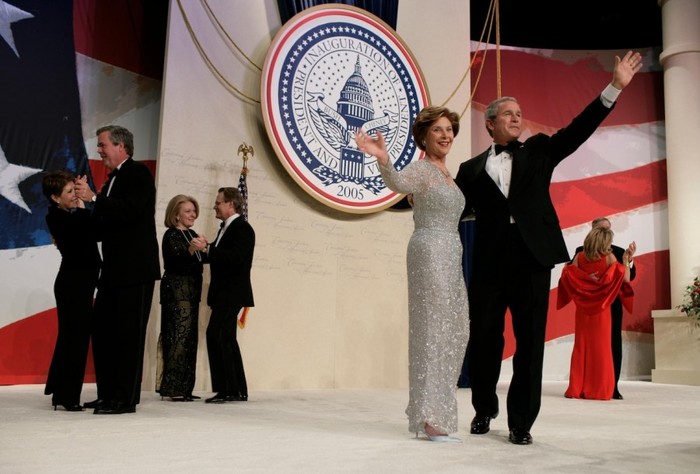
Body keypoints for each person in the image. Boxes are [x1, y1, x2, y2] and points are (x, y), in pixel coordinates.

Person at [453, 51, 643, 445]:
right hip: (488, 265)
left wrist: (614, 88)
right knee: (485, 340)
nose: (517, 118)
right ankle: (484, 409)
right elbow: (450, 207)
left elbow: (577, 131)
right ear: (490, 124)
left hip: (532, 259)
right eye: (508, 113)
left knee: (529, 343)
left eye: (519, 113)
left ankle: (521, 422)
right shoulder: (469, 170)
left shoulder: (539, 150)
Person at [355, 106, 469, 442]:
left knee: (455, 330)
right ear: (424, 136)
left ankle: (435, 413)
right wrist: (383, 159)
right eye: (438, 130)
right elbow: (398, 182)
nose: (446, 135)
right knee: (433, 331)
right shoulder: (422, 169)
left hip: (451, 253)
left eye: (449, 129)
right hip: (429, 250)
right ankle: (430, 418)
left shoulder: (447, 174)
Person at [74, 125, 160, 415]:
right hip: (113, 271)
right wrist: (82, 206)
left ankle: (124, 399)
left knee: (128, 336)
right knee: (103, 332)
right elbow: (103, 227)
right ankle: (108, 394)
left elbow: (129, 211)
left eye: (103, 145)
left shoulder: (138, 173)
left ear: (121, 146)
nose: (99, 150)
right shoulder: (112, 180)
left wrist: (94, 199)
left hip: (135, 270)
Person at [41, 170, 101, 412]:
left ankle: (61, 392)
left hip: (80, 282)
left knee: (73, 338)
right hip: (72, 284)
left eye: (74, 190)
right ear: (55, 198)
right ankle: (67, 396)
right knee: (75, 339)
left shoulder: (67, 216)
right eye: (69, 191)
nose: (74, 194)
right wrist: (83, 205)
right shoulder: (56, 217)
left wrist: (81, 205)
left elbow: (93, 232)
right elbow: (83, 236)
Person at [191, 187, 254, 404]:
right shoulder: (226, 228)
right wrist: (203, 249)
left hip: (232, 292)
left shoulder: (243, 228)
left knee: (217, 335)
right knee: (225, 337)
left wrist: (208, 249)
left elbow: (236, 257)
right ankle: (236, 389)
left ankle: (228, 389)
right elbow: (219, 256)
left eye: (218, 203)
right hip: (224, 293)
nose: (214, 206)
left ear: (231, 205)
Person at [557, 226, 634, 400]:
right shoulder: (609, 258)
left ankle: (577, 388)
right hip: (601, 310)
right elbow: (626, 278)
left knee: (581, 347)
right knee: (601, 349)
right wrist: (625, 260)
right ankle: (598, 390)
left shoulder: (580, 257)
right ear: (604, 241)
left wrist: (586, 279)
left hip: (583, 310)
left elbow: (568, 276)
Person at [156, 195, 206, 402]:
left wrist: (205, 247)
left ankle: (185, 387)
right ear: (176, 215)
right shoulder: (171, 235)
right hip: (176, 294)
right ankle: (173, 387)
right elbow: (174, 263)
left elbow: (202, 260)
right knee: (177, 338)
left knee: (189, 339)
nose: (193, 215)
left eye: (194, 211)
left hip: (192, 293)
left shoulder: (192, 234)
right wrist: (191, 250)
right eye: (188, 211)